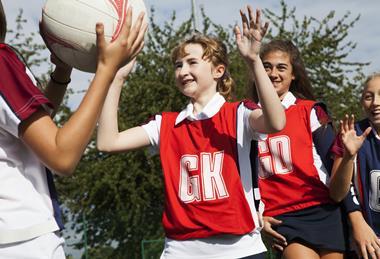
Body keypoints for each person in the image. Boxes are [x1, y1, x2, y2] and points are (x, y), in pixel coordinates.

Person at [97, 5, 285, 259]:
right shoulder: (166, 124)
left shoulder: (238, 114)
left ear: (219, 71)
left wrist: (253, 61)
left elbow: (276, 122)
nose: (182, 71)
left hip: (241, 249)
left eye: (192, 62)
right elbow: (108, 142)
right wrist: (115, 79)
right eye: (178, 65)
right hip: (181, 251)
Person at [0, 1, 147, 258]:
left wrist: (62, 71)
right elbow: (61, 155)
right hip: (21, 239)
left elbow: (33, 131)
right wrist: (105, 70)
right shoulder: (1, 64)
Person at [251, 39, 346, 259]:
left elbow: (338, 168)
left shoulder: (310, 111)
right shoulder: (247, 116)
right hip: (283, 215)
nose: (273, 73)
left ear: (294, 74)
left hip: (324, 209)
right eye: (267, 66)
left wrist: (353, 215)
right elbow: (239, 176)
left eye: (281, 67)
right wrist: (257, 216)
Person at [329, 72, 380, 259]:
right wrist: (349, 156)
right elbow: (336, 194)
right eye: (369, 96)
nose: (375, 102)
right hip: (362, 245)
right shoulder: (351, 134)